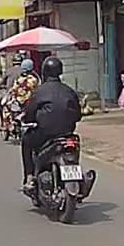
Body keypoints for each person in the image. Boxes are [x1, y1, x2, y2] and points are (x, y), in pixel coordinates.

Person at [19, 56, 82, 193]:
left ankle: (29, 176)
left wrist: (28, 119)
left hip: (45, 134)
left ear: (44, 72)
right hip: (67, 134)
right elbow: (78, 115)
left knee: (26, 141)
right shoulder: (69, 91)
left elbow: (29, 114)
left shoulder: (39, 91)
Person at [0, 59, 39, 136]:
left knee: (5, 106)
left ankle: (7, 124)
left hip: (19, 102)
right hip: (30, 102)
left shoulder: (19, 79)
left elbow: (13, 89)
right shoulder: (34, 79)